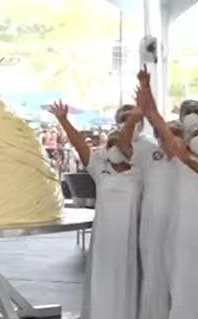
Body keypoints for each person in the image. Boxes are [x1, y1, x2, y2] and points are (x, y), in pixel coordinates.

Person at [49, 100, 141, 319]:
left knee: (129, 285)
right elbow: (80, 144)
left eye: (131, 120)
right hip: (104, 242)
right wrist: (63, 119)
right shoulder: (100, 165)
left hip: (132, 241)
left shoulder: (141, 167)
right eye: (122, 120)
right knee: (102, 283)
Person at [136, 67, 198, 319]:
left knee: (186, 280)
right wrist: (146, 88)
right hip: (181, 227)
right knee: (180, 278)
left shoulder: (184, 157)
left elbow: (156, 120)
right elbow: (156, 120)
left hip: (189, 228)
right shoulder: (177, 155)